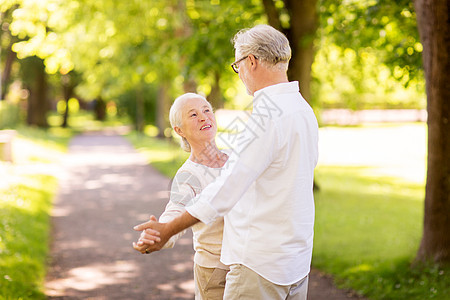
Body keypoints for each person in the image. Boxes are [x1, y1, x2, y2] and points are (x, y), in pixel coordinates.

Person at [133, 24, 319, 300]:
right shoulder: (303, 110)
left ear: (251, 62)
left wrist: (166, 231)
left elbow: (225, 190)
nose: (240, 74)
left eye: (238, 65)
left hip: (260, 265)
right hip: (294, 261)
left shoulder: (267, 117)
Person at [133, 93, 230, 299]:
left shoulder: (236, 158)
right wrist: (159, 234)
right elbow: (175, 211)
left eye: (206, 110)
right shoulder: (188, 176)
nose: (204, 117)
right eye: (193, 114)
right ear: (179, 130)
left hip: (248, 265)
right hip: (215, 272)